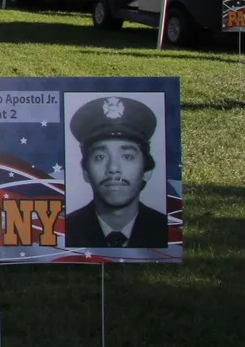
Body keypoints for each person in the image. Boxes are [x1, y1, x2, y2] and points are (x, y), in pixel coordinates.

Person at [64, 95, 169, 248]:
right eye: (100, 157)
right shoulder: (65, 230)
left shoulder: (166, 231)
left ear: (147, 170)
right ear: (85, 172)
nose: (113, 168)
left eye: (127, 156)